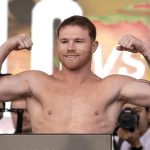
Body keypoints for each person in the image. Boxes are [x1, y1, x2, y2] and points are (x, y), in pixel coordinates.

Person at [0, 15, 150, 134]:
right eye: (64, 41)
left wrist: (145, 49)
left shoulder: (113, 87)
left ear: (94, 46)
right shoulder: (35, 82)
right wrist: (7, 47)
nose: (70, 48)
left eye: (78, 41)